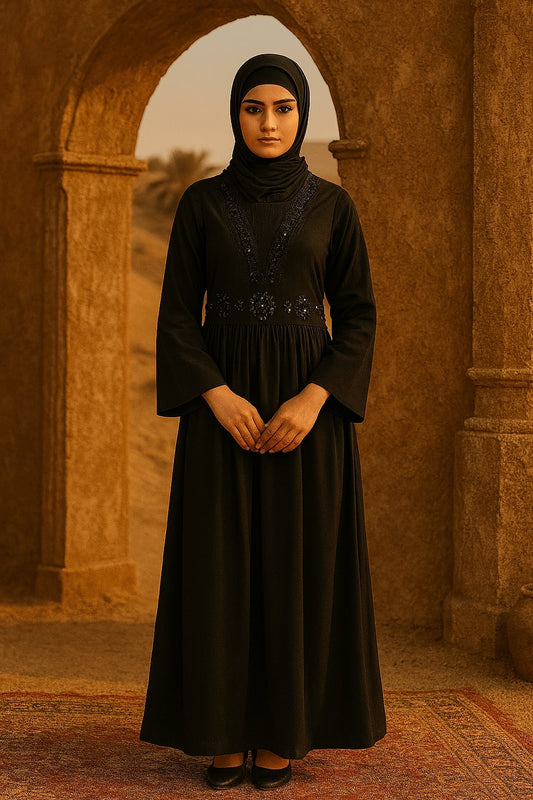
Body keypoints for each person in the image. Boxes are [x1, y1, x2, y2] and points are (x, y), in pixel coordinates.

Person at [140, 53, 386, 791]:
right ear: (235, 115)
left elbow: (359, 317)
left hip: (305, 422)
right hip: (224, 416)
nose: (268, 122)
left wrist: (313, 401)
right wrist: (215, 395)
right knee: (219, 570)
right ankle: (218, 737)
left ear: (301, 114)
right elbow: (179, 319)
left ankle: (282, 737)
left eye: (282, 107)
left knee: (295, 569)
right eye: (253, 107)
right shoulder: (200, 204)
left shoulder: (332, 207)